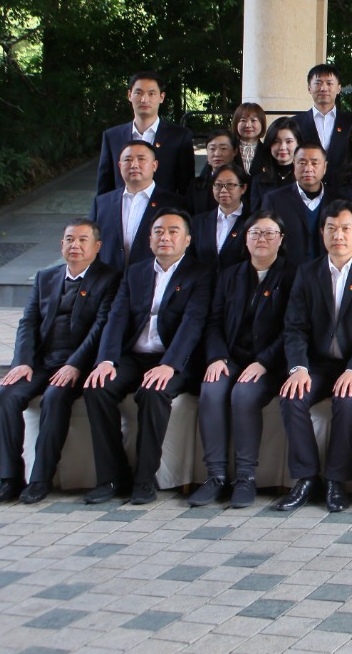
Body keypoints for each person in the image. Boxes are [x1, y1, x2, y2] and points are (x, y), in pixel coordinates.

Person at [0, 219, 120, 506]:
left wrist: (76, 363)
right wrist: (23, 361)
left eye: (82, 240)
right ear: (61, 244)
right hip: (42, 361)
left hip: (79, 362)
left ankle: (41, 478)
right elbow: (28, 322)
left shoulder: (109, 278)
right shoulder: (45, 277)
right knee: (4, 395)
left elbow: (102, 326)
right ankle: (8, 479)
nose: (75, 245)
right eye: (69, 239)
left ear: (97, 246)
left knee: (55, 397)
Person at [82, 208, 213, 505]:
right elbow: (116, 317)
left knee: (153, 393)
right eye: (158, 232)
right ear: (149, 239)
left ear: (187, 240)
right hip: (135, 356)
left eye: (173, 231)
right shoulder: (135, 272)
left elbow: (194, 322)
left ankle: (144, 479)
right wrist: (106, 360)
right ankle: (111, 477)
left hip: (174, 359)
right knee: (97, 387)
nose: (165, 237)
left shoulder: (200, 273)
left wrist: (169, 365)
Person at [274, 201, 352, 513]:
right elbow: (294, 326)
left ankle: (335, 480)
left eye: (345, 228)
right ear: (322, 232)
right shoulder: (307, 272)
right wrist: (298, 368)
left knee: (347, 398)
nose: (338, 235)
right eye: (331, 228)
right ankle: (306, 478)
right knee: (291, 396)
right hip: (317, 364)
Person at [189, 211, 294, 509]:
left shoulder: (292, 276)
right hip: (230, 357)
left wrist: (264, 362)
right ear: (245, 239)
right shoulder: (229, 275)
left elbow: (293, 328)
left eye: (270, 233)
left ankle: (245, 477)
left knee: (243, 395)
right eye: (255, 233)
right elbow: (213, 321)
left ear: (281, 239)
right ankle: (215, 476)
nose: (262, 239)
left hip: (269, 362)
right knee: (211, 390)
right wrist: (217, 357)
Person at [95, 71, 195, 199]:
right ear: (129, 95)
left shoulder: (180, 137)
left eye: (151, 94)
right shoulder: (112, 136)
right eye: (139, 93)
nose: (144, 99)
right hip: (122, 209)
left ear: (161, 97)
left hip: (164, 209)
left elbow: (186, 188)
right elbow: (104, 189)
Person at [90, 141, 182, 273]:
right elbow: (91, 243)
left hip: (153, 277)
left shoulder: (174, 203)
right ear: (120, 166)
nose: (134, 165)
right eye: (127, 160)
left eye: (141, 159)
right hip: (109, 278)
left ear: (154, 165)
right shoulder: (102, 203)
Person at [262, 145, 331, 265]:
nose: (308, 169)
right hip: (287, 272)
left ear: (324, 167)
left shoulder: (338, 200)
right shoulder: (274, 199)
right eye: (302, 163)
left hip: (327, 272)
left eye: (314, 163)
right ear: (294, 165)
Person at [294, 64, 352, 182]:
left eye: (329, 83)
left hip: (342, 187)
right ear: (309, 88)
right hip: (307, 187)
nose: (323, 88)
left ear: (339, 88)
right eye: (318, 83)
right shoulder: (295, 123)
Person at [193, 161, 249, 270]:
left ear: (243, 188)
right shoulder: (198, 222)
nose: (223, 190)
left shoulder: (253, 221)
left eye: (230, 185)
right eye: (218, 185)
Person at [251, 118, 299, 208]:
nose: (282, 147)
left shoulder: (305, 178)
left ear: (298, 144)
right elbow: (255, 214)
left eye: (289, 141)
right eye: (276, 141)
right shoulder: (258, 180)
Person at [191, 130, 239, 215]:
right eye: (212, 149)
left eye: (223, 148)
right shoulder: (195, 185)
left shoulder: (244, 182)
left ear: (235, 151)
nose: (217, 154)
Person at [231, 102, 268, 179]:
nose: (248, 125)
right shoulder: (229, 149)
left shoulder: (268, 151)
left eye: (253, 120)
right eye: (243, 120)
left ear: (262, 123)